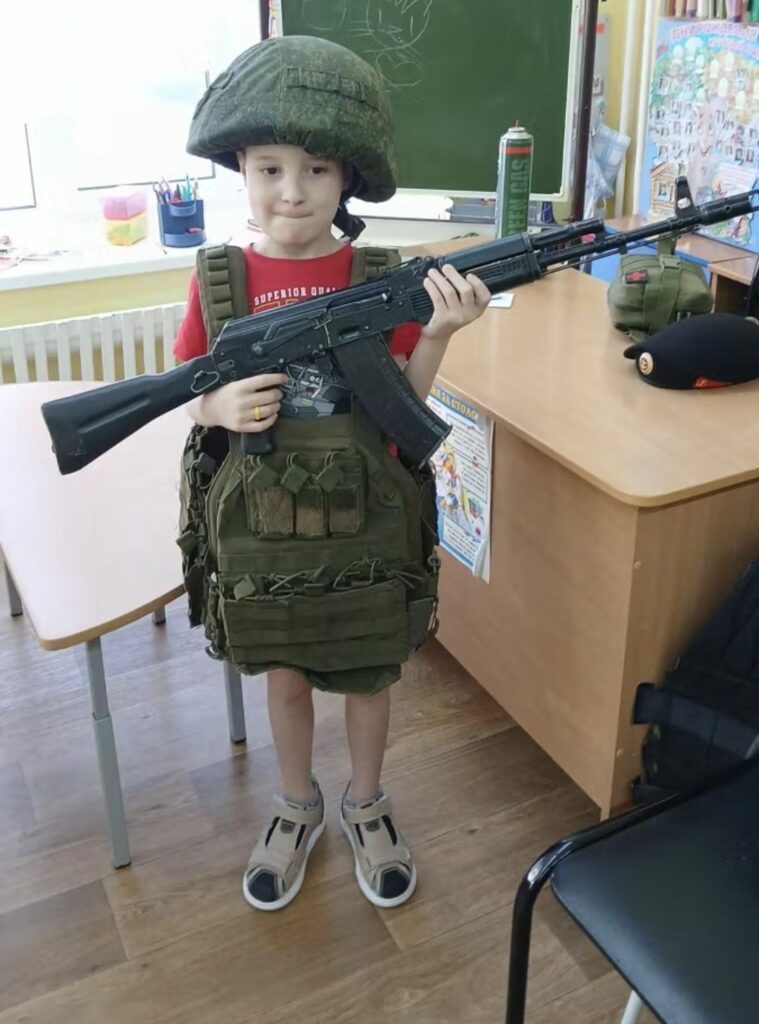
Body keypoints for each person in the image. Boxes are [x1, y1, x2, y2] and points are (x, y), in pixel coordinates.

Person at [174, 35, 490, 913]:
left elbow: (405, 407)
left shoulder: (377, 277)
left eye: (315, 170)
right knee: (283, 673)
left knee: (367, 669)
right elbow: (186, 391)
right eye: (269, 168)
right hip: (263, 526)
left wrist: (437, 332)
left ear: (347, 179)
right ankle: (295, 803)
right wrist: (216, 406)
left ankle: (365, 801)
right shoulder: (219, 279)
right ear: (239, 169)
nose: (291, 190)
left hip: (365, 518)